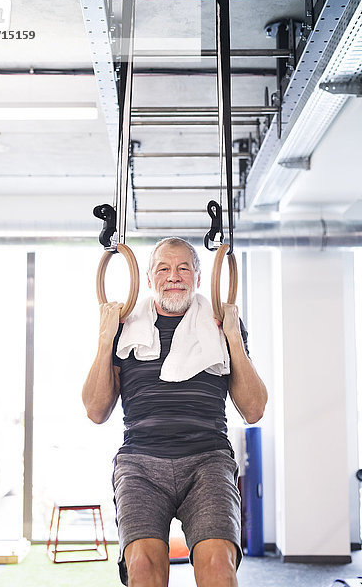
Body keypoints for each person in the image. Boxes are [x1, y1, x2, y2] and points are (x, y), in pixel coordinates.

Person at [83, 237, 268, 587]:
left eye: (184, 267)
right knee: (142, 566)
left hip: (207, 461)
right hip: (140, 464)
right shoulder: (123, 328)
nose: (174, 276)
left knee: (218, 565)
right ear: (149, 279)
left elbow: (254, 409)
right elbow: (95, 410)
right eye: (164, 268)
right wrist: (104, 340)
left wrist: (233, 337)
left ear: (198, 278)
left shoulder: (220, 325)